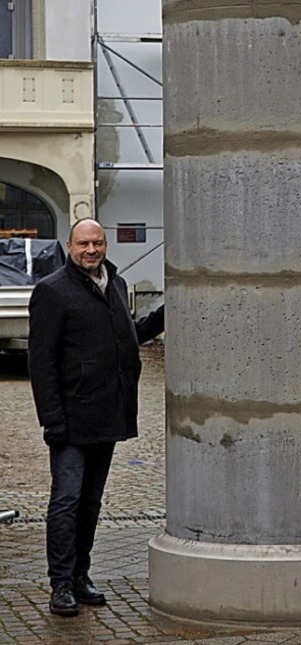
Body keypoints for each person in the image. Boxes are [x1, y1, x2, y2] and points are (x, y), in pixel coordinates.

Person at [28, 218, 165, 618]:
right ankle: (61, 585)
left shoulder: (116, 285)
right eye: (84, 243)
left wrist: (162, 317)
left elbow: (126, 335)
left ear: (105, 245)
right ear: (70, 246)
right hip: (70, 421)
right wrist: (51, 420)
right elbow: (42, 363)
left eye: (98, 243)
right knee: (66, 501)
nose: (92, 250)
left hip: (106, 415)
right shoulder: (52, 291)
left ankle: (82, 575)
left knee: (90, 501)